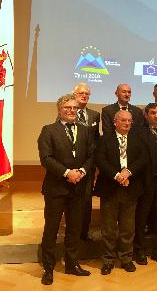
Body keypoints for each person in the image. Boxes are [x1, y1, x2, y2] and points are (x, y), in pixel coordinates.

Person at [37, 94, 94, 285]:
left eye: (74, 108)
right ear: (59, 110)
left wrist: (83, 171)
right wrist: (67, 172)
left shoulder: (85, 131)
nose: (71, 111)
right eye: (67, 108)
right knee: (51, 230)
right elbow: (46, 158)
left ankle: (72, 264)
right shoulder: (48, 130)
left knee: (74, 229)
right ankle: (48, 268)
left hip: (79, 188)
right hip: (56, 189)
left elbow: (91, 155)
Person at [95, 110, 147, 275]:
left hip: (130, 188)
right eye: (123, 120)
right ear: (115, 122)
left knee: (127, 228)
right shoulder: (105, 139)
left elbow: (143, 158)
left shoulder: (137, 139)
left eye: (129, 121)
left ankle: (126, 258)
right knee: (109, 229)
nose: (127, 123)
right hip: (110, 188)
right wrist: (117, 175)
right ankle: (108, 260)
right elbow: (100, 159)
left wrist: (128, 172)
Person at [133, 103, 157, 265]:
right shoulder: (138, 133)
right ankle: (139, 251)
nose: (156, 116)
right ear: (146, 115)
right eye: (152, 113)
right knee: (141, 218)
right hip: (144, 183)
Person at [73, 83, 100, 242]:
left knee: (86, 200)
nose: (84, 96)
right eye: (81, 93)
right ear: (75, 94)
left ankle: (84, 232)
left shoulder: (95, 115)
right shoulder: (68, 112)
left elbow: (96, 140)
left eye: (87, 94)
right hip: (72, 166)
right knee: (73, 200)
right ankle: (73, 233)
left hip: (89, 165)